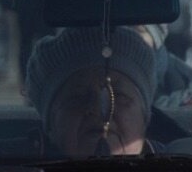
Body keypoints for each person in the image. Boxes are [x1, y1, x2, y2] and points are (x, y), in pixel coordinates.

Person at [24, 26, 160, 157]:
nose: (99, 110)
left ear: (145, 118)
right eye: (78, 98)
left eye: (118, 96)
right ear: (50, 126)